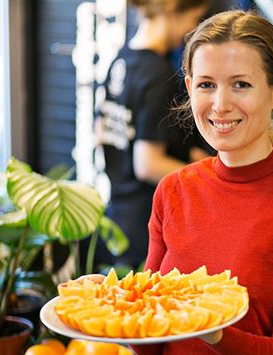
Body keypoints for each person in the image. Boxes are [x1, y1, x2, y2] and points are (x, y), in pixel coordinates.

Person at [132, 10, 273, 354]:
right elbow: (151, 342)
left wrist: (215, 332)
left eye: (241, 84)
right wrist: (117, 308)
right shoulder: (173, 189)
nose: (220, 105)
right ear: (189, 88)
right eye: (206, 84)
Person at [94, 0, 211, 269]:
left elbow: (103, 131)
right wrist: (211, 181)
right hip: (144, 226)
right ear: (172, 12)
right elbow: (148, 165)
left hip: (117, 217)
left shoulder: (123, 58)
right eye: (193, 19)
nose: (191, 29)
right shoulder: (157, 74)